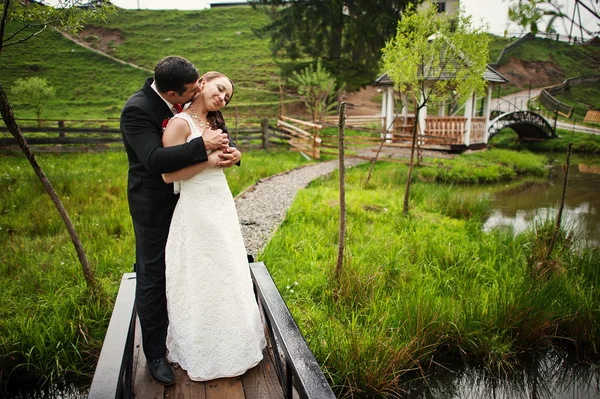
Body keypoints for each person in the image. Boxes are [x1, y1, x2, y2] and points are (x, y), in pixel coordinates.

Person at [120, 56, 240, 385]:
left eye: (202, 83)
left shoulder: (192, 103)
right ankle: (156, 353)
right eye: (194, 88)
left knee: (193, 269)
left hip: (194, 202)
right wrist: (205, 148)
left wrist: (232, 152)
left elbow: (218, 134)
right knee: (153, 273)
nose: (200, 89)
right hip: (155, 206)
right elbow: (156, 161)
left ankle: (197, 332)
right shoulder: (138, 110)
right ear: (173, 94)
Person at [161, 71, 265, 381]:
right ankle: (203, 349)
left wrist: (234, 155)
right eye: (220, 89)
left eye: (228, 97)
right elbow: (168, 175)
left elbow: (223, 155)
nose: (223, 98)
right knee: (202, 275)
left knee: (228, 271)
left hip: (220, 203)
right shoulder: (181, 124)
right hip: (195, 209)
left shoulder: (215, 124)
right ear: (203, 83)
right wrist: (210, 162)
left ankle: (234, 345)